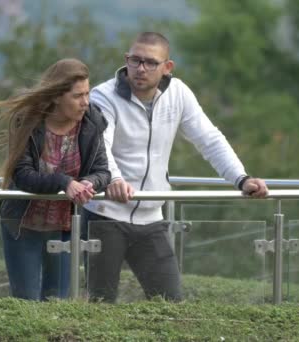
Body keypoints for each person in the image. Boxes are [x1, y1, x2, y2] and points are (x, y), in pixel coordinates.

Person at [82, 32, 268, 303]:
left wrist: (241, 178)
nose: (140, 68)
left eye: (150, 62)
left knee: (171, 304)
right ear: (126, 60)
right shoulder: (103, 95)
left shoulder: (178, 93)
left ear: (167, 67)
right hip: (104, 214)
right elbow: (100, 145)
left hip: (151, 217)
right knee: (100, 305)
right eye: (135, 60)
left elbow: (209, 138)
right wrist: (115, 180)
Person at [0, 58, 110, 301]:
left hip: (66, 226)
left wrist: (90, 183)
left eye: (87, 94)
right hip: (23, 225)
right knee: (25, 302)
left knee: (58, 302)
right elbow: (22, 174)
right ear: (56, 97)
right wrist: (64, 182)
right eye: (77, 96)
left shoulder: (92, 122)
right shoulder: (28, 121)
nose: (85, 102)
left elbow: (103, 171)